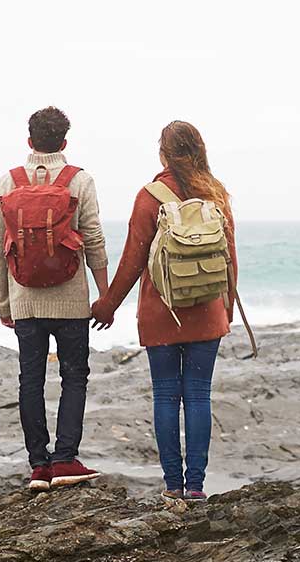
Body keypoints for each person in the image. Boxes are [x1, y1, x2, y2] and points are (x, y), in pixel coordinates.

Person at [91, 121, 237, 502]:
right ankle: (197, 486)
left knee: (167, 395)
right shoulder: (216, 193)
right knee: (199, 395)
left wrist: (108, 305)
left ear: (162, 153)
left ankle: (172, 485)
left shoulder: (150, 196)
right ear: (200, 150)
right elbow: (230, 259)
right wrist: (228, 309)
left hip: (162, 313)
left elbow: (132, 260)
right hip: (208, 311)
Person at [0, 106, 108, 491]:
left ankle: (38, 467)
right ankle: (65, 459)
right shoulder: (80, 180)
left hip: (25, 299)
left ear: (29, 141)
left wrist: (3, 303)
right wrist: (105, 293)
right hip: (71, 300)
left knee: (31, 380)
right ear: (64, 142)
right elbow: (93, 240)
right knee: (74, 376)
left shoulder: (7, 183)